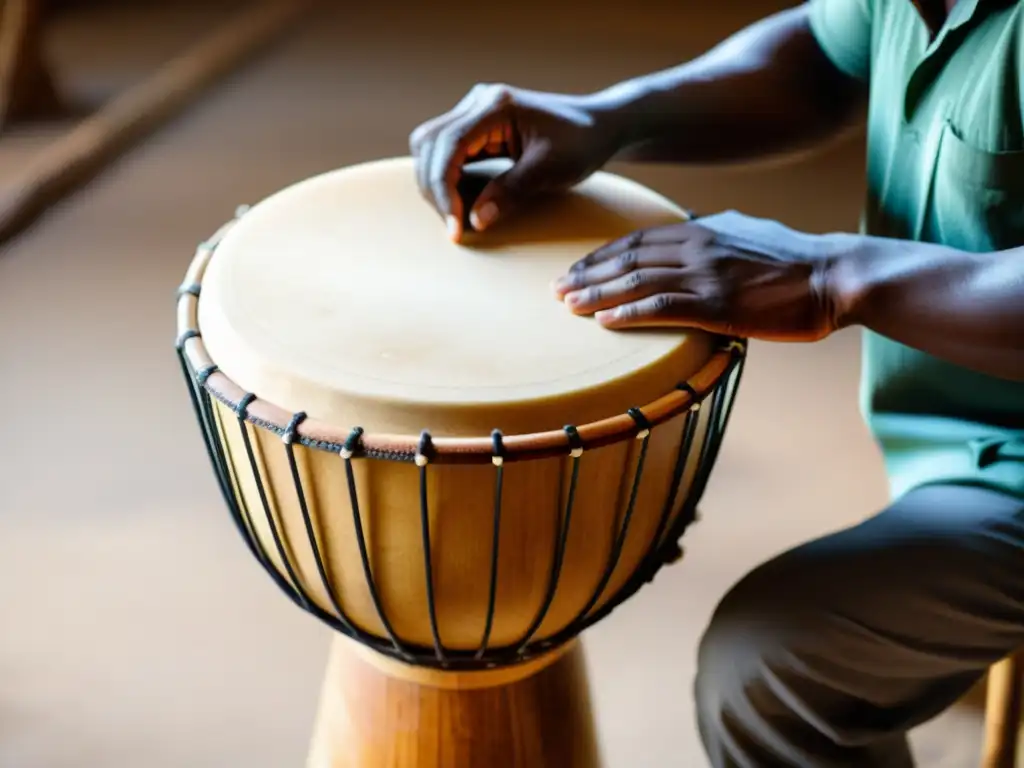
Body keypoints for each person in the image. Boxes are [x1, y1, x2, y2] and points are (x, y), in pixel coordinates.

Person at [409, 1, 1024, 766]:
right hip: (952, 438)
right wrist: (608, 118)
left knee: (769, 669)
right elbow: (819, 58)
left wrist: (830, 274)